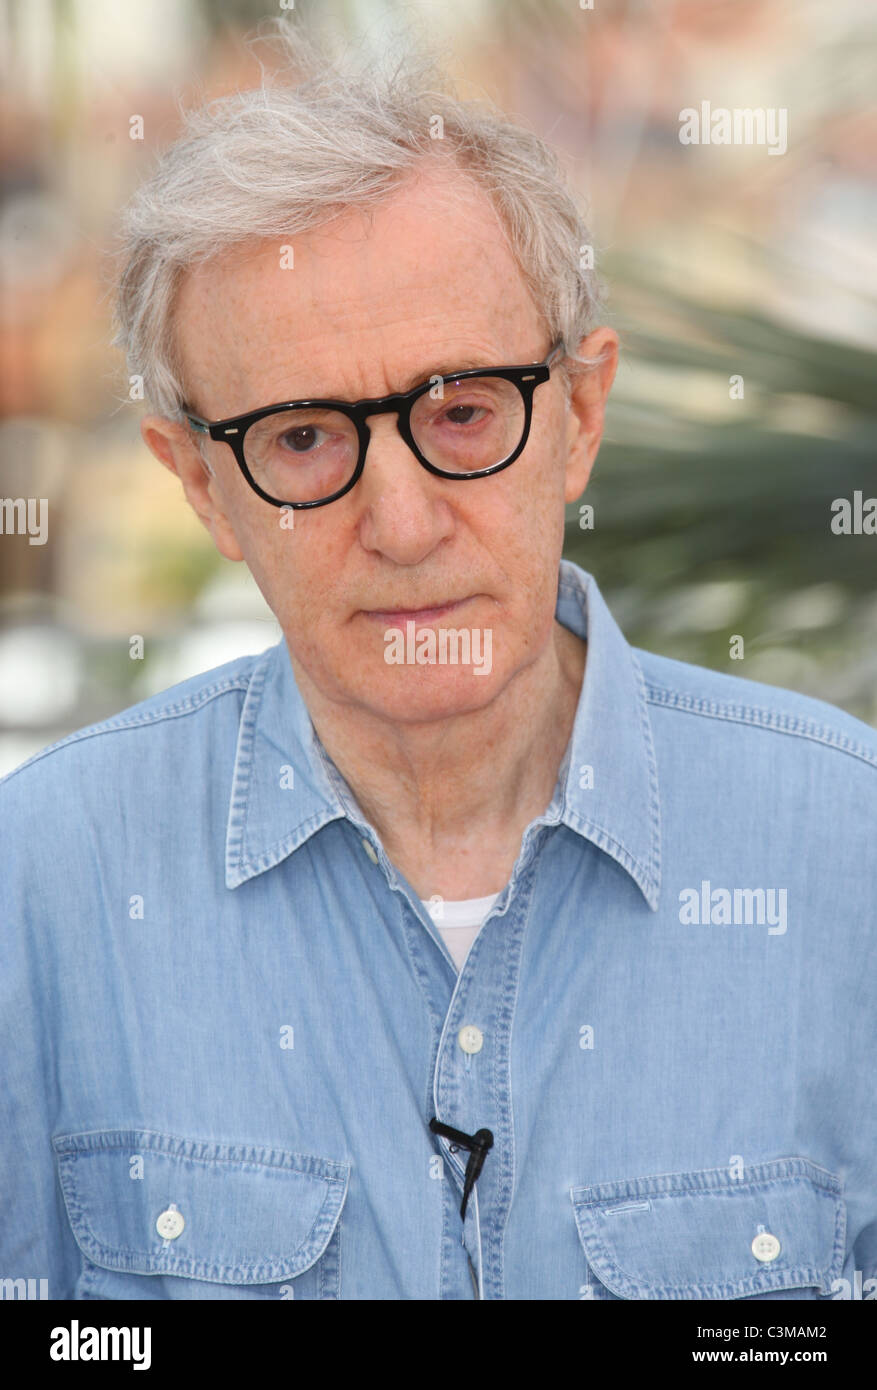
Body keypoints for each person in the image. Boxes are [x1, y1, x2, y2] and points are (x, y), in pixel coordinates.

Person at [1, 23, 874, 1302]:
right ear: (201, 487)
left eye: (462, 412)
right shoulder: (41, 886)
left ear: (578, 417)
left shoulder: (847, 852)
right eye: (301, 438)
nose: (402, 524)